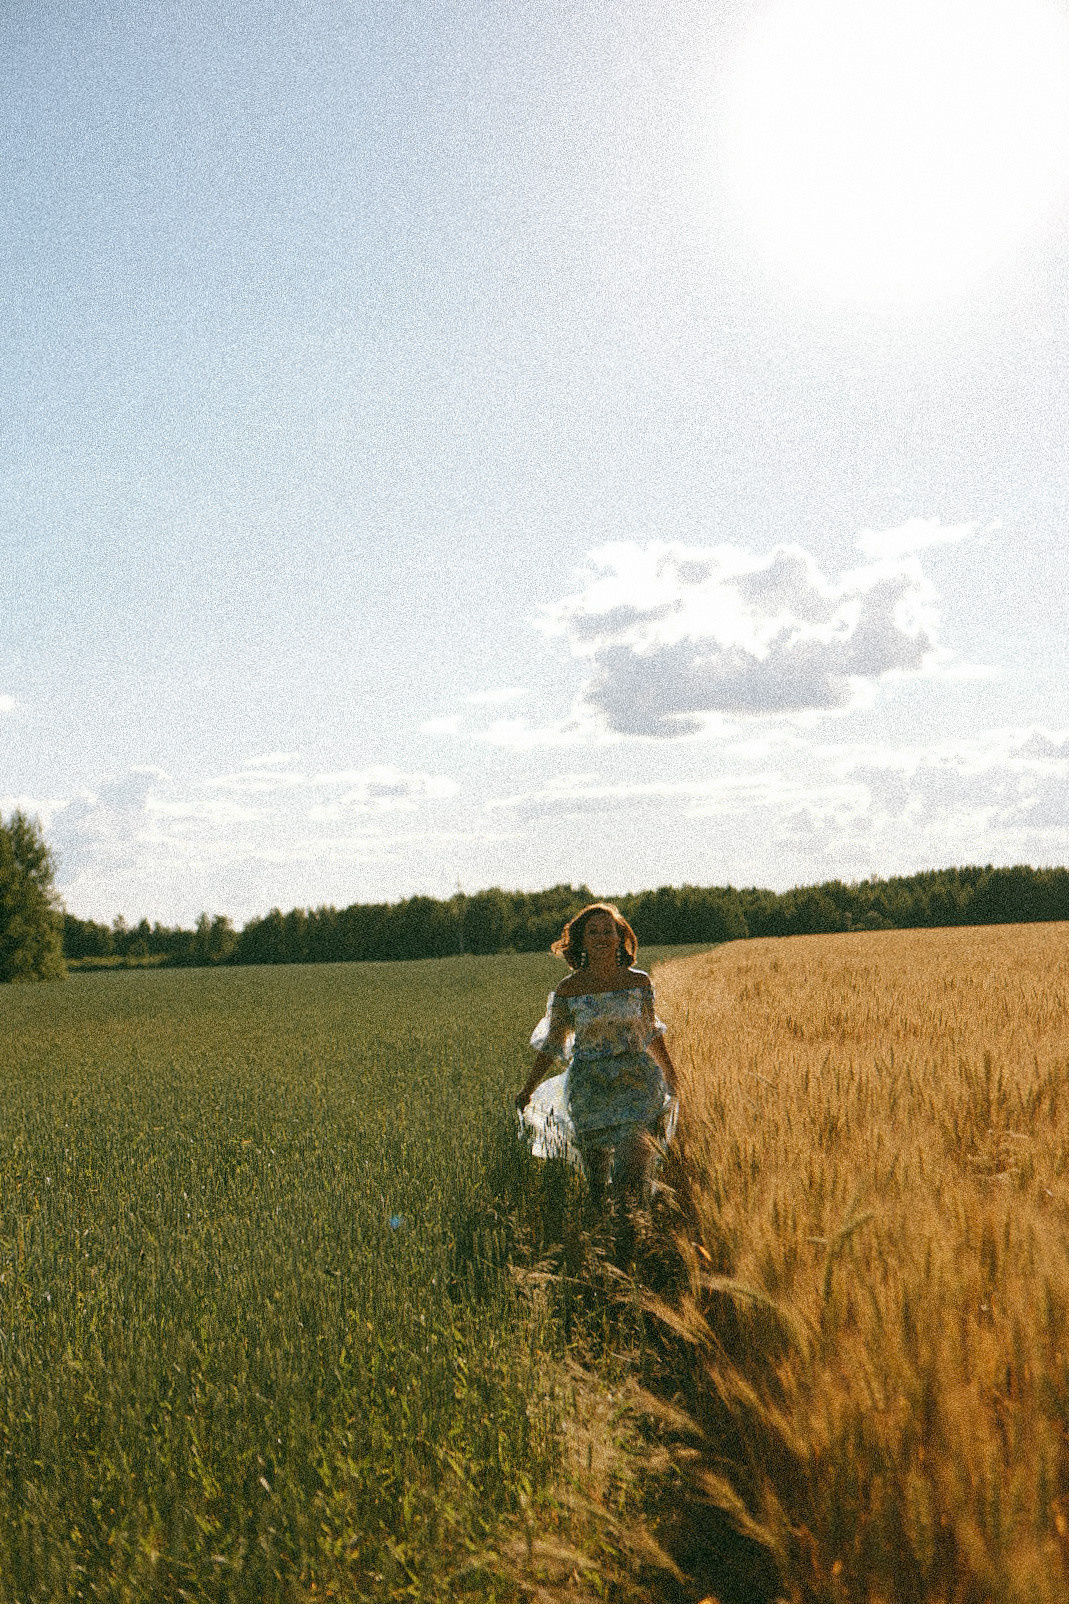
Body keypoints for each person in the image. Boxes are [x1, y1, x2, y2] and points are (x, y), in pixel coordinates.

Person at [515, 903, 679, 1212]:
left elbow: (651, 1033)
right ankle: (607, 1235)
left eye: (608, 931)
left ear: (620, 937)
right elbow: (553, 1044)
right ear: (582, 941)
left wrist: (671, 1074)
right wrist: (528, 1088)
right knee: (597, 1181)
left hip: (637, 1083)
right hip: (591, 1088)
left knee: (631, 1171)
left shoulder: (638, 983)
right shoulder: (569, 989)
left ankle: (632, 1230)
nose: (602, 937)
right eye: (593, 932)